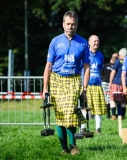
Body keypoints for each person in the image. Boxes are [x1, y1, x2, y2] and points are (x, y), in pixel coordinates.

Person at [42, 11, 90, 155]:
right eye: (68, 24)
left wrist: (85, 88)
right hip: (57, 79)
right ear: (63, 24)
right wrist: (45, 88)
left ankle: (73, 146)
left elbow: (87, 67)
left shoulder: (83, 43)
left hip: (74, 80)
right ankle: (64, 148)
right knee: (60, 114)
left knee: (70, 112)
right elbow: (48, 66)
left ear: (77, 25)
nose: (71, 26)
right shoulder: (55, 41)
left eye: (73, 24)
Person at [80, 35, 106, 134]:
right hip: (86, 86)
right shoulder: (85, 54)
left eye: (98, 41)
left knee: (98, 108)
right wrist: (83, 86)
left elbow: (101, 69)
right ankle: (82, 128)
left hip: (97, 85)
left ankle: (98, 129)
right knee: (84, 107)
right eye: (94, 41)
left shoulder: (101, 55)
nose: (96, 43)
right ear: (89, 42)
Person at [109, 48, 127, 120]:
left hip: (116, 82)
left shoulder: (117, 61)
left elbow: (113, 72)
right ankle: (122, 115)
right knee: (123, 100)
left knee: (112, 99)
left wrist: (110, 83)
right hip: (124, 84)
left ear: (120, 55)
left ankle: (113, 115)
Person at [101, 53, 118, 119]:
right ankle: (109, 113)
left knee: (106, 99)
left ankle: (107, 113)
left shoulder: (105, 65)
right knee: (109, 99)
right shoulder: (115, 67)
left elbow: (101, 73)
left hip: (104, 82)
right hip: (110, 83)